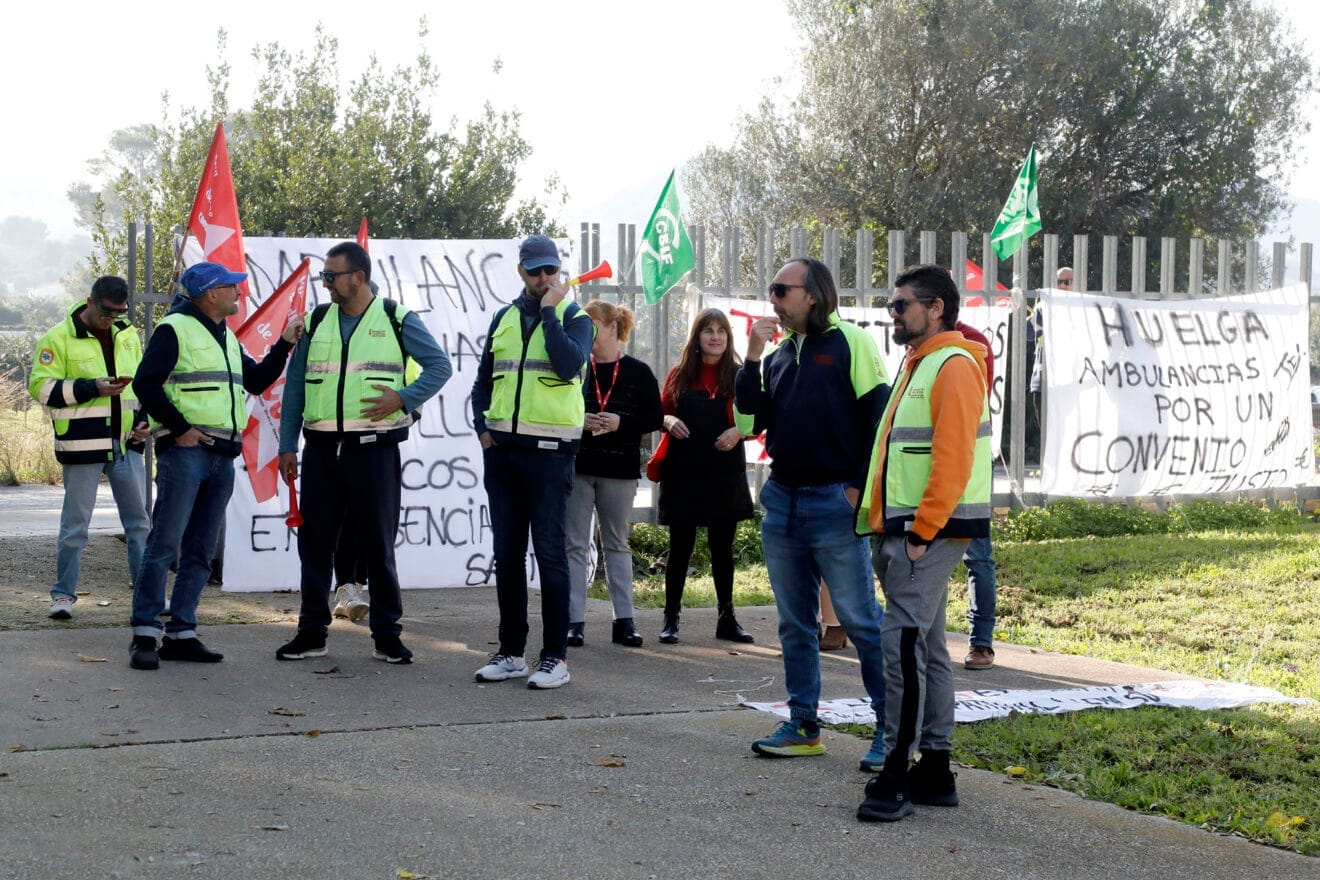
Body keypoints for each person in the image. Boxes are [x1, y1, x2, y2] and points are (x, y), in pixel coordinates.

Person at [736, 257, 890, 771]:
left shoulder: (852, 343)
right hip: (783, 499)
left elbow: (878, 420)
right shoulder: (778, 354)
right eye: (772, 289)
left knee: (860, 620)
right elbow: (747, 421)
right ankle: (803, 724)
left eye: (781, 289)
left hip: (833, 501)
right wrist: (752, 356)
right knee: (794, 623)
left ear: (813, 295)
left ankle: (890, 729)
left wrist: (857, 491)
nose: (773, 299)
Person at [856, 264, 991, 823]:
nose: (894, 312)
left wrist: (923, 530)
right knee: (928, 650)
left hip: (927, 533)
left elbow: (954, 458)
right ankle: (934, 767)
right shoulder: (919, 364)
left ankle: (895, 768)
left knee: (902, 646)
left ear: (936, 308)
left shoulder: (953, 365)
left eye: (901, 304)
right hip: (906, 531)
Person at [275, 242, 451, 665]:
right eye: (324, 276)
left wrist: (403, 398)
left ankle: (387, 634)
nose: (325, 283)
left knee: (378, 545)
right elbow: (296, 385)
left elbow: (439, 367)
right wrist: (286, 445)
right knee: (314, 545)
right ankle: (311, 631)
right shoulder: (316, 321)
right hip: (319, 450)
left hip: (373, 451)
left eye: (331, 276)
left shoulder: (396, 318)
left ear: (358, 276)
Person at [128, 262, 303, 670]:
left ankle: (182, 632)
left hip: (222, 457)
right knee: (164, 545)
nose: (239, 294)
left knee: (201, 551)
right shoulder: (175, 328)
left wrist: (283, 344)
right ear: (210, 293)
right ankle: (144, 634)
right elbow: (145, 384)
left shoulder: (224, 334)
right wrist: (180, 427)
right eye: (232, 287)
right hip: (186, 453)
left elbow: (257, 381)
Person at [470, 234, 594, 689]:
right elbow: (483, 381)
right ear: (521, 272)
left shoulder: (576, 318)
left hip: (550, 456)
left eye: (551, 271)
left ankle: (555, 657)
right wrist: (483, 430)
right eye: (536, 271)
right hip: (503, 454)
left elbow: (567, 365)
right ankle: (510, 653)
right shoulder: (502, 318)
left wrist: (548, 312)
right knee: (506, 556)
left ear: (559, 272)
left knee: (550, 555)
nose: (544, 279)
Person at [29, 275, 151, 620]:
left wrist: (144, 422)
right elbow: (39, 387)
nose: (111, 319)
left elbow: (140, 385)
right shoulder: (58, 337)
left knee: (140, 525)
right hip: (81, 445)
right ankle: (63, 596)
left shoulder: (127, 335)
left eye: (119, 312)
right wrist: (90, 388)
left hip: (126, 445)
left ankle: (146, 597)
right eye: (106, 312)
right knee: (75, 526)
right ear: (89, 301)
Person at [565, 300, 663, 648]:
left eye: (593, 324)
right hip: (579, 467)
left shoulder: (637, 371)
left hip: (619, 471)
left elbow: (655, 418)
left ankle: (625, 620)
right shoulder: (576, 368)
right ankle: (573, 620)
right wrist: (581, 423)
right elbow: (559, 412)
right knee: (575, 544)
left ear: (613, 328)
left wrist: (622, 423)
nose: (587, 332)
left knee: (616, 543)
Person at [656, 308, 756, 645]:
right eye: (708, 330)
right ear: (697, 337)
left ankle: (726, 617)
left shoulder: (740, 375)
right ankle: (671, 618)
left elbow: (757, 420)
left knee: (721, 547)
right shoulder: (680, 374)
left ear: (729, 338)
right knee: (680, 545)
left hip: (724, 470)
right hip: (684, 470)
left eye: (721, 331)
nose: (715, 337)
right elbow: (660, 413)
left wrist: (737, 432)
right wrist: (667, 421)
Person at [954, 319, 998, 670]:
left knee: (978, 557)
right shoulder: (916, 346)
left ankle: (981, 642)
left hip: (968, 469)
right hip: (924, 472)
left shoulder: (973, 341)